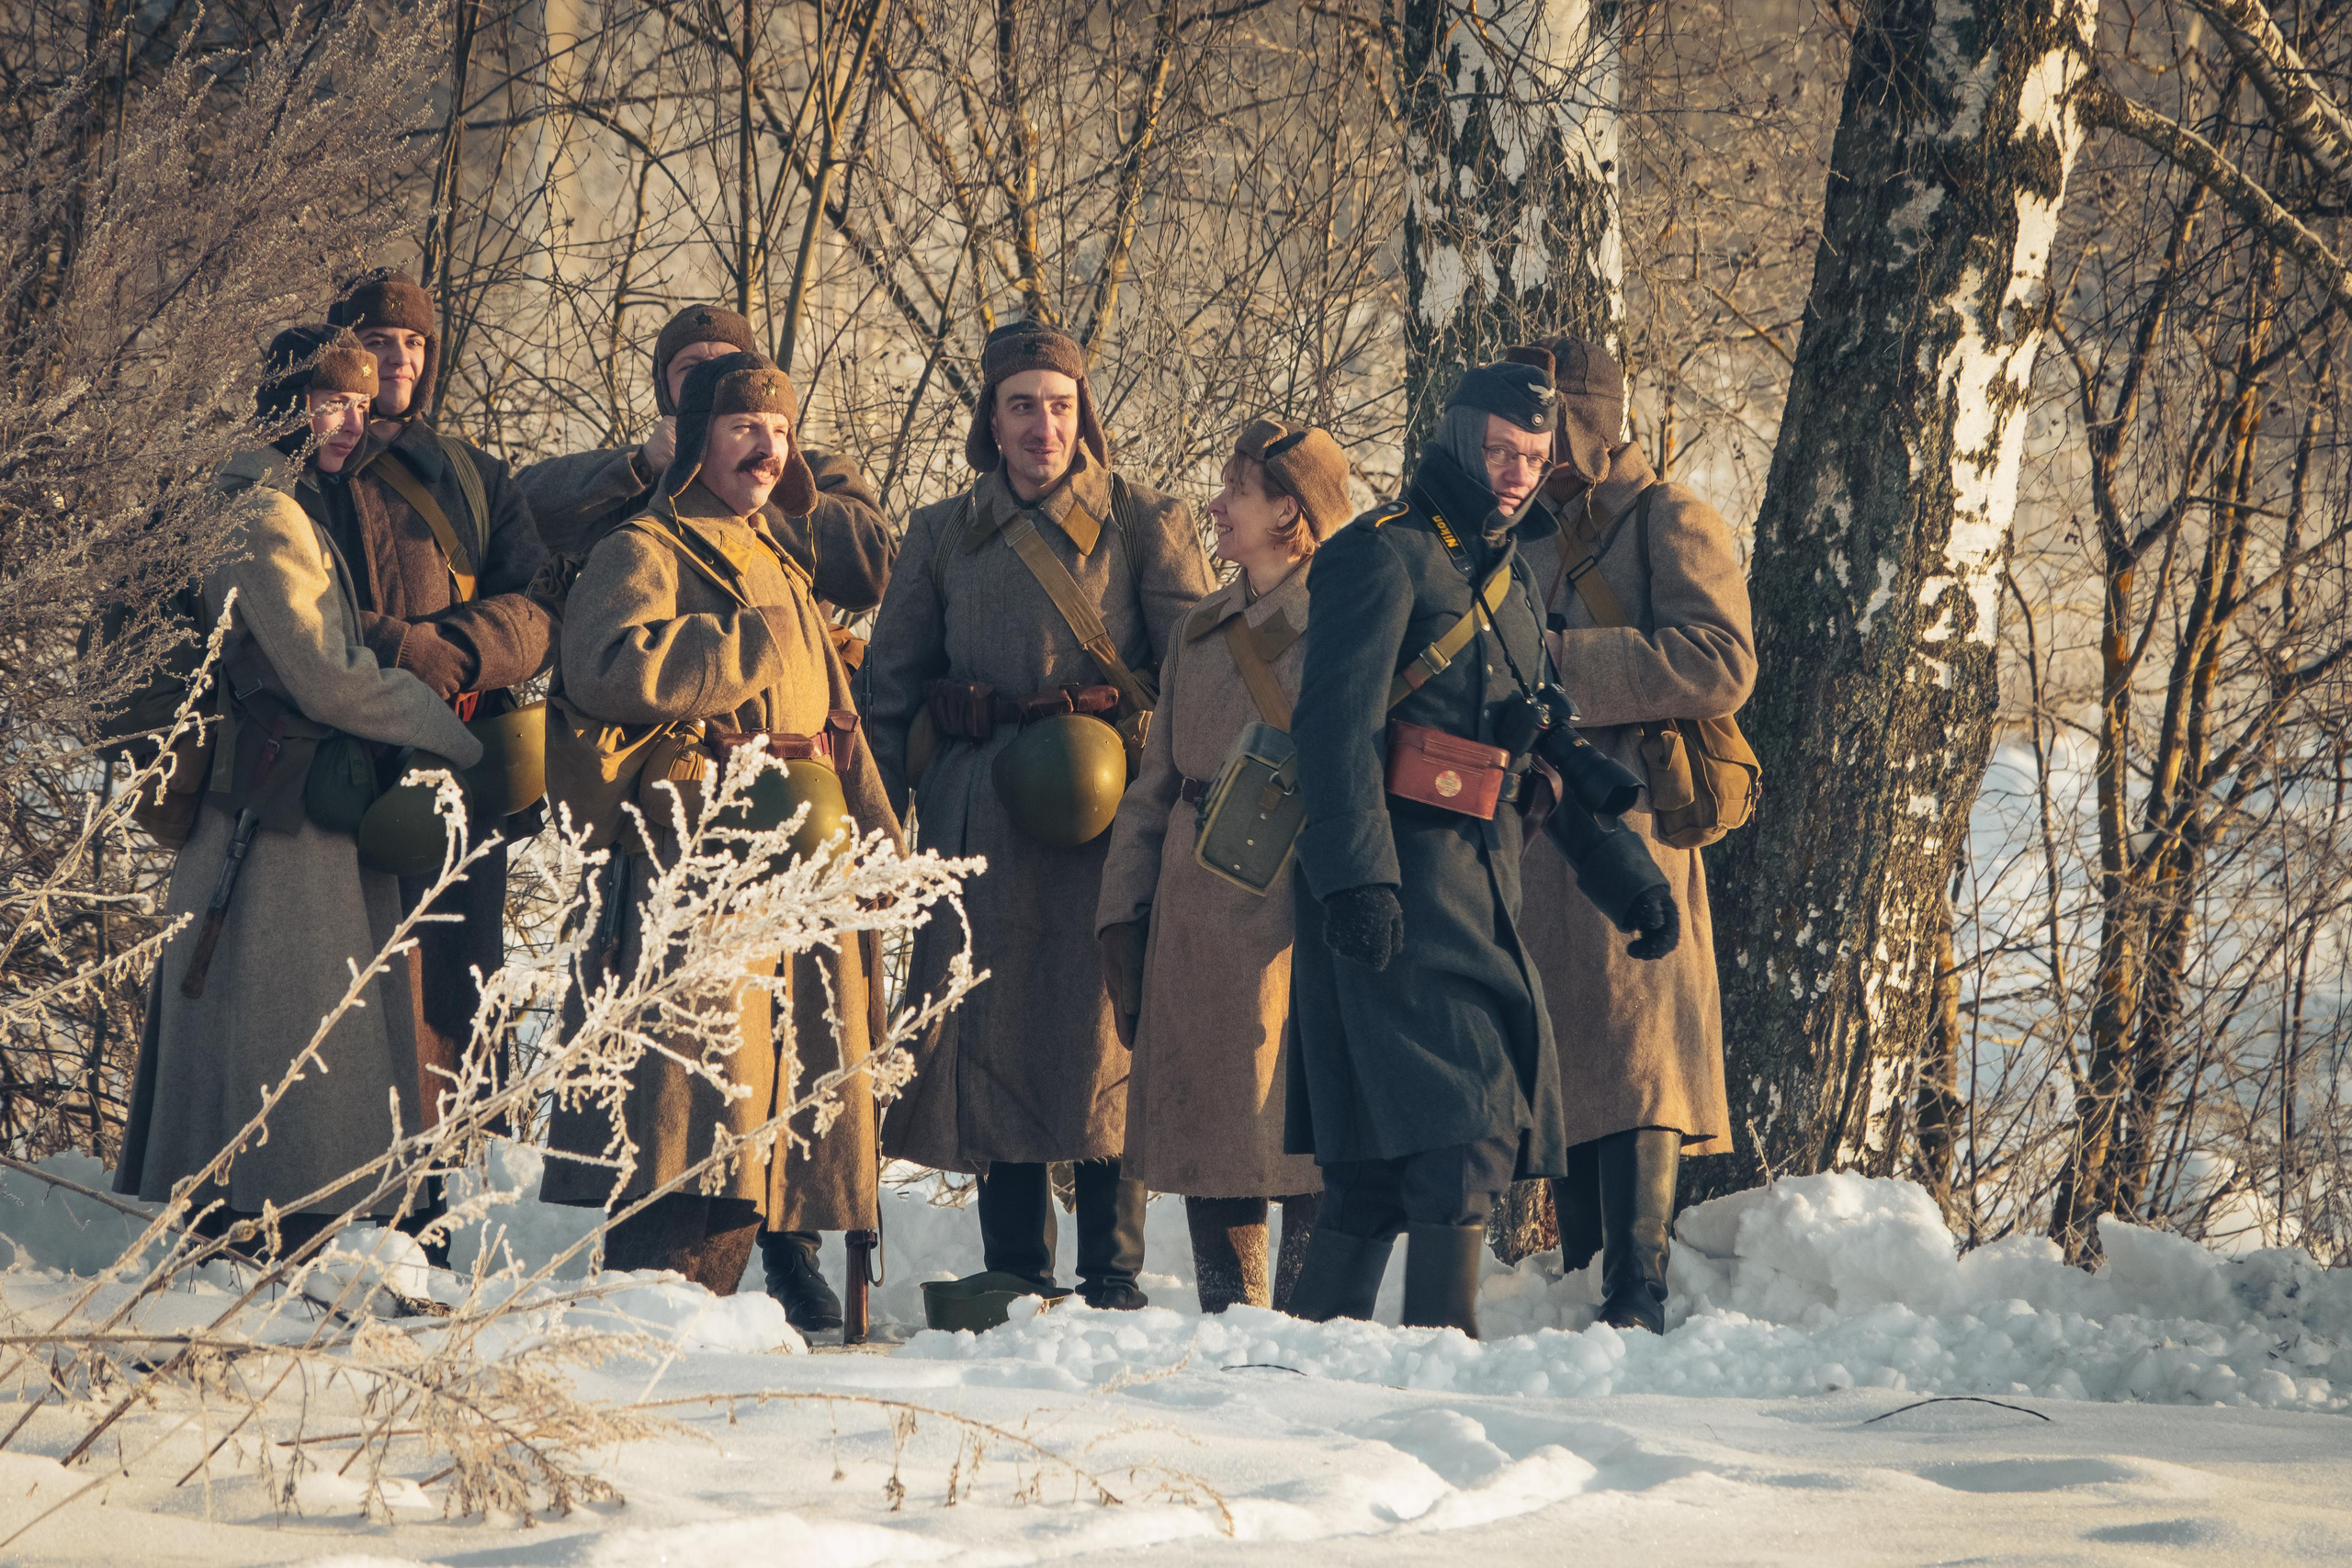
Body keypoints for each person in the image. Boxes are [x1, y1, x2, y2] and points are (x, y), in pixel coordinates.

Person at [1283, 361, 1680, 1338]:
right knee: (1459, 1135)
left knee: (1383, 1164)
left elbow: (1531, 740)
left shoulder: (1507, 573)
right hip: (1395, 890)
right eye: (1500, 450)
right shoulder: (1379, 554)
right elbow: (1330, 733)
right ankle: (1436, 1360)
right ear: (1458, 441)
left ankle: (1297, 1370)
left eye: (1534, 457)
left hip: (1479, 881)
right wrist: (1359, 883)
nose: (1515, 473)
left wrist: (1624, 875)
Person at [515, 304, 892, 1329]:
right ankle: (658, 1316)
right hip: (704, 860)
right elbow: (598, 665)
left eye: (778, 430)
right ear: (695, 440)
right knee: (695, 1104)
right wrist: (744, 644)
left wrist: (882, 847)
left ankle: (746, 1307)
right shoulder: (646, 541)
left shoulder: (781, 552)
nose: (765, 448)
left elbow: (835, 719)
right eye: (741, 429)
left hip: (802, 857)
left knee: (783, 1106)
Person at [859, 321, 1215, 1310]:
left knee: (1107, 1028)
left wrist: (1172, 793)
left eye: (1059, 406)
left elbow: (1197, 673)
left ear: (1082, 414)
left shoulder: (1148, 520)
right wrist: (881, 828)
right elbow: (889, 689)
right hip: (981, 818)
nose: (1041, 426)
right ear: (990, 418)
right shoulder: (939, 532)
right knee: (993, 1026)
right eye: (1021, 405)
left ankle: (1115, 1269)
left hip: (1110, 815)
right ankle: (1016, 1266)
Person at [116, 328, 487, 1246]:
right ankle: (277, 1227)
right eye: (331, 402)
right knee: (288, 1023)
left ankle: (259, 1222)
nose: (350, 423)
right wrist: (452, 736)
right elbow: (330, 677)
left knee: (278, 1022)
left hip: (283, 803)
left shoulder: (275, 502)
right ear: (285, 403)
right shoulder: (261, 514)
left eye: (361, 406)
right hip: (279, 819)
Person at [1514, 339, 1755, 1334]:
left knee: (1640, 1049)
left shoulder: (1672, 519)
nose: (1529, 447)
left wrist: (1571, 661)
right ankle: (1583, 1274)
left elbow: (1721, 662)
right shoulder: (1518, 533)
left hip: (1640, 817)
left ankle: (1636, 1288)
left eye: (1546, 425)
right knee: (1568, 1046)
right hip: (1541, 823)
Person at [1094, 420, 1353, 1314]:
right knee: (1214, 1135)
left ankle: (1307, 1327)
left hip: (1303, 909)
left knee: (1305, 1135)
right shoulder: (1199, 631)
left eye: (1236, 491)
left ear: (1290, 509)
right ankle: (1230, 1325)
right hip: (1197, 906)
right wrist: (1121, 914)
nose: (1215, 504)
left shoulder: (1354, 622)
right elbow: (1153, 786)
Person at [322, 269, 555, 1136]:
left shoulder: (474, 472)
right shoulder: (316, 462)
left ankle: (452, 1196)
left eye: (414, 342)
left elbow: (537, 602)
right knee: (352, 983)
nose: (399, 358)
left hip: (460, 770)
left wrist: (454, 652)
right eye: (379, 341)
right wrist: (400, 648)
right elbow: (307, 605)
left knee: (458, 986)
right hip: (343, 766)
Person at [514, 304, 896, 659]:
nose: (712, 380)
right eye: (691, 369)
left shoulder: (813, 470)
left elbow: (873, 575)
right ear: (666, 390)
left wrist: (766, 478)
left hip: (787, 697)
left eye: (728, 365)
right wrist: (640, 466)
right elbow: (517, 513)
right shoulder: (638, 482)